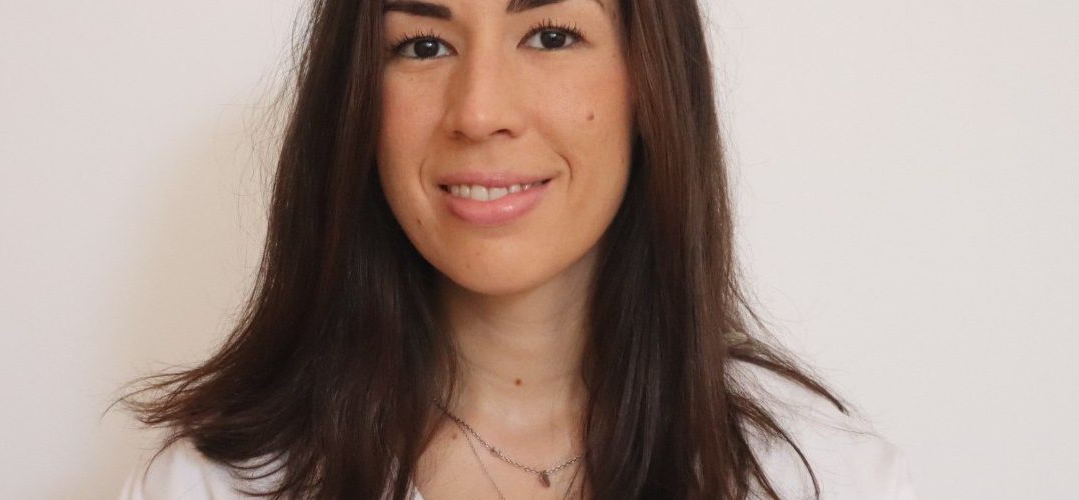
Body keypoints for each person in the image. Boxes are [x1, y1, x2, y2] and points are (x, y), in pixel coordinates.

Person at [119, 0, 918, 498]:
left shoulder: (824, 479)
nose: (479, 111)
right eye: (423, 45)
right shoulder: (209, 487)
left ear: (650, 83)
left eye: (550, 34)